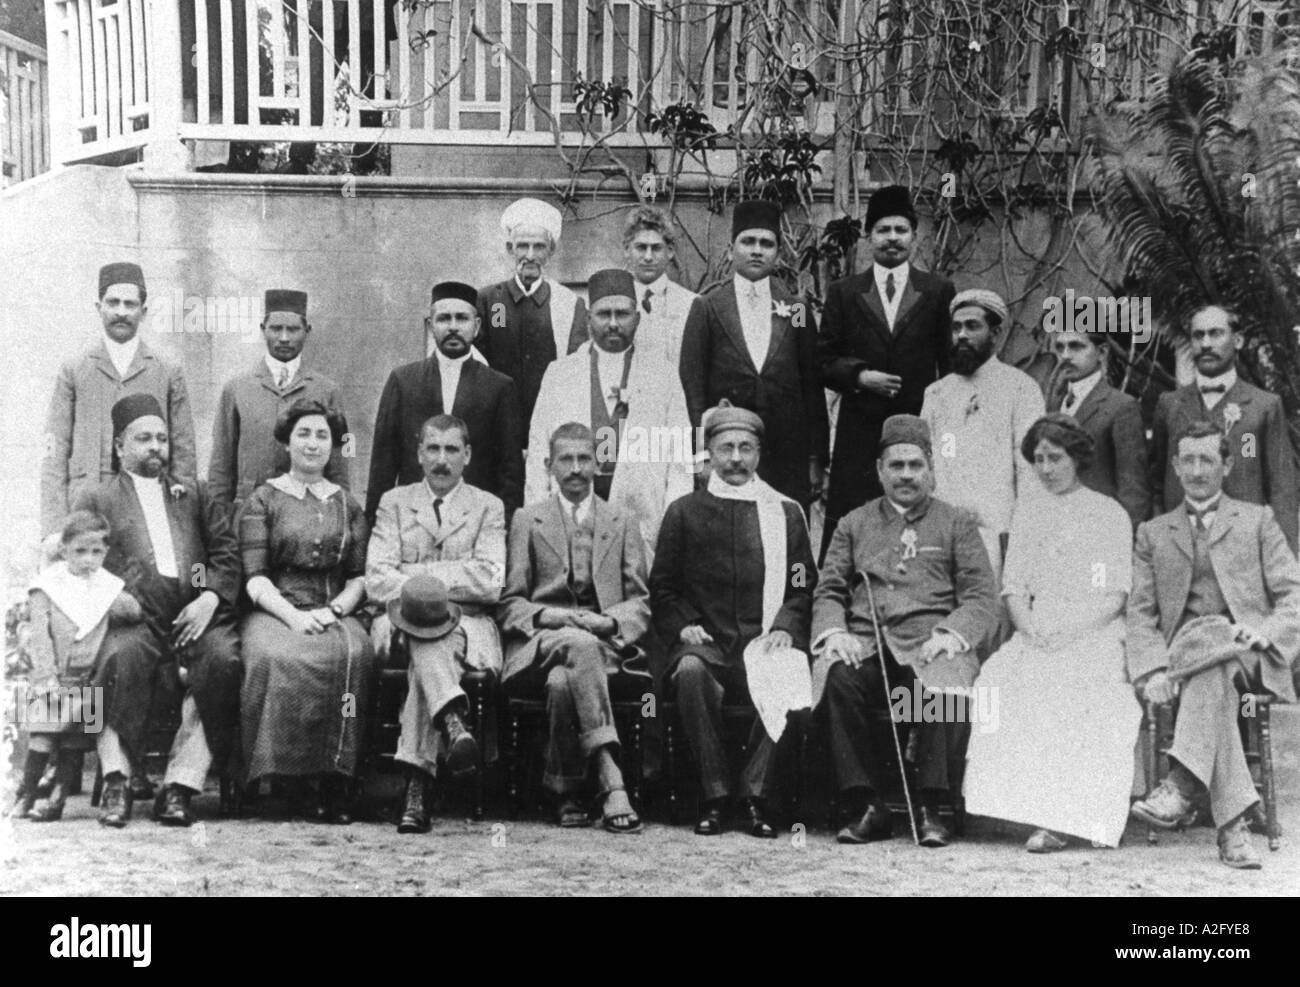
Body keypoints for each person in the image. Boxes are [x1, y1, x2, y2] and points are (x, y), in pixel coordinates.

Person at [812, 414, 1000, 847]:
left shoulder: (957, 523)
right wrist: (836, 632)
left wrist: (950, 634)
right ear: (880, 471)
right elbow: (828, 591)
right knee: (838, 676)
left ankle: (933, 806)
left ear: (931, 469)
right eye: (896, 466)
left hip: (931, 642)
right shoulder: (852, 523)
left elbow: (980, 598)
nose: (906, 475)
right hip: (867, 641)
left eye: (916, 465)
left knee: (944, 680)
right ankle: (866, 805)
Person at [964, 413, 1142, 851]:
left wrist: (1071, 629)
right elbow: (1014, 587)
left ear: (1077, 459)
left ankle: (1069, 819)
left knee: (1073, 687)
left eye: (1055, 458)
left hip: (1094, 628)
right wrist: (1029, 627)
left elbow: (1115, 593)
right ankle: (1021, 810)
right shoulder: (1029, 512)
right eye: (1038, 459)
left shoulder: (1107, 514)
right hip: (1038, 628)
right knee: (1000, 680)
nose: (1045, 468)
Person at [1128, 420, 1300, 869]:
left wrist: (1264, 631)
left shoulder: (1258, 520)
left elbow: (1293, 594)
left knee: (1220, 661)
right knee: (1212, 669)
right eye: (1188, 459)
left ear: (1226, 465)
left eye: (1207, 459)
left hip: (1249, 655)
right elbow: (1141, 613)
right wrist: (1151, 670)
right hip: (1181, 660)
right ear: (1175, 466)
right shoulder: (1153, 532)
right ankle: (1234, 828)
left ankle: (1181, 786)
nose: (1197, 469)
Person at [72, 394, 242, 828]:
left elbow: (225, 553)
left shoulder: (193, 492)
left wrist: (209, 599)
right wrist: (110, 596)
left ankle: (181, 785)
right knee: (115, 659)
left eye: (162, 439)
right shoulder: (98, 497)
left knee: (223, 662)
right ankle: (116, 780)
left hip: (196, 617)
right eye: (144, 438)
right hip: (136, 616)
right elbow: (75, 564)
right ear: (119, 446)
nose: (155, 448)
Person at [650, 403, 816, 837]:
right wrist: (684, 622)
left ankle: (754, 796)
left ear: (759, 453)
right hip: (708, 642)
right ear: (709, 453)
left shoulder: (786, 512)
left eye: (746, 448)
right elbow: (663, 587)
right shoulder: (684, 512)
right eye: (726, 448)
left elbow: (801, 586)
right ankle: (716, 794)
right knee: (689, 672)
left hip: (764, 638)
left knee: (790, 669)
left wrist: (785, 625)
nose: (737, 459)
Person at [497, 423, 650, 833]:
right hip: (541, 643)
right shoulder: (527, 520)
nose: (577, 468)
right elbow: (509, 603)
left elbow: (641, 601)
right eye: (566, 459)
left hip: (604, 648)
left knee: (564, 683)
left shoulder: (622, 520)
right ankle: (610, 778)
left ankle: (566, 794)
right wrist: (553, 617)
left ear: (598, 464)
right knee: (574, 645)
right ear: (549, 465)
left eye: (585, 458)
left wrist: (610, 620)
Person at [366, 413, 507, 833]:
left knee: (428, 644)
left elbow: (489, 582)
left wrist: (417, 579)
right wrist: (452, 576)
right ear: (418, 454)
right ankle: (450, 721)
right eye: (433, 449)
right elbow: (376, 579)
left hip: (470, 626)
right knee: (424, 636)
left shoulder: (488, 506)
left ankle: (417, 786)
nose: (441, 459)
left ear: (467, 455)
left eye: (451, 450)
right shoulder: (395, 503)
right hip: (396, 622)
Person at [236, 399, 374, 824]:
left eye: (322, 436)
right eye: (304, 434)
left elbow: (360, 576)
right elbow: (255, 578)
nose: (313, 444)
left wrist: (335, 610)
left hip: (333, 606)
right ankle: (281, 779)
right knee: (276, 657)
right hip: (275, 609)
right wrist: (294, 618)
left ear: (333, 446)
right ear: (286, 442)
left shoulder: (346, 503)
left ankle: (337, 778)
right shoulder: (264, 498)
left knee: (355, 655)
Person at [817, 185, 954, 557]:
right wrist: (859, 376)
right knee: (853, 529)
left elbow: (950, 368)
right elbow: (823, 360)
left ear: (913, 235)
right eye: (883, 230)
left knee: (915, 530)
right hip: (859, 433)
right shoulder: (845, 293)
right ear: (868, 236)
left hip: (916, 430)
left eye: (901, 230)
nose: (892, 239)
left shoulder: (938, 291)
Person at [527, 268, 693, 556]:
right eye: (604, 314)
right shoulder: (560, 373)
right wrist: (540, 522)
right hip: (572, 515)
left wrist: (672, 530)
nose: (614, 323)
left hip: (642, 520)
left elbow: (680, 462)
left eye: (623, 314)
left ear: (637, 318)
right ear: (589, 318)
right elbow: (539, 452)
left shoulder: (663, 375)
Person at [679, 199, 828, 510]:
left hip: (787, 454)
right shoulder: (707, 307)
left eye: (766, 243)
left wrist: (815, 458)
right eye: (748, 242)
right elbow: (691, 388)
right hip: (728, 453)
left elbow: (812, 385)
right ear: (731, 250)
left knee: (785, 537)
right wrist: (700, 454)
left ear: (778, 252)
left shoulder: (796, 310)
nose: (757, 250)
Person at [42, 262, 196, 537]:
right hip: (85, 510)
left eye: (130, 304)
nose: (121, 312)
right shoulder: (74, 369)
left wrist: (182, 521)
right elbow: (54, 452)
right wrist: (54, 529)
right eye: (113, 303)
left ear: (143, 312)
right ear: (98, 307)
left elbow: (184, 451)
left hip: (149, 507)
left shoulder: (167, 370)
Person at [16, 511, 144, 822]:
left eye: (97, 552)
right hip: (52, 678)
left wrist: (121, 596)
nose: (88, 559)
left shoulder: (105, 587)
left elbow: (133, 611)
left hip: (87, 680)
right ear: (64, 550)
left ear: (106, 553)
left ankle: (56, 802)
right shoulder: (46, 587)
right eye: (80, 551)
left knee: (73, 744)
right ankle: (26, 794)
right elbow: (40, 638)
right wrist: (46, 678)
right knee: (42, 738)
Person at [367, 281, 523, 525]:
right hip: (413, 521)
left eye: (462, 318)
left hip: (475, 523)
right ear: (430, 326)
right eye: (443, 319)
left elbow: (510, 472)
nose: (453, 327)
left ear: (477, 325)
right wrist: (374, 527)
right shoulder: (403, 380)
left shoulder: (500, 387)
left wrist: (505, 532)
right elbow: (382, 465)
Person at [1149, 304, 1299, 554]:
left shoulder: (1263, 407)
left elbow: (1282, 489)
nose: (1206, 343)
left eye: (1216, 333)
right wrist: (1159, 540)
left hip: (1244, 549)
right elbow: (1155, 482)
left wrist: (1285, 560)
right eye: (1198, 335)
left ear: (1237, 340)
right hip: (1181, 547)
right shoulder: (1169, 406)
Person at [920, 289, 1045, 577]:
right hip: (940, 535)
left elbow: (1030, 471)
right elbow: (925, 465)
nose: (961, 335)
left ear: (996, 332)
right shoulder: (937, 393)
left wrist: (1021, 538)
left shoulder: (1021, 389)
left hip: (997, 535)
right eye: (956, 327)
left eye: (972, 326)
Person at [209, 289, 350, 514]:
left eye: (293, 329)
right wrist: (218, 523)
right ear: (263, 330)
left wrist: (342, 512)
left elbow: (343, 455)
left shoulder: (327, 390)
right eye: (276, 329)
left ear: (307, 331)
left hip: (309, 513)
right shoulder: (237, 388)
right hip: (249, 512)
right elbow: (221, 463)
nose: (284, 338)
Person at [476, 198, 587, 428]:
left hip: (551, 421)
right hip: (498, 422)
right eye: (522, 246)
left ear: (551, 251)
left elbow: (577, 369)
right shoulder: (491, 301)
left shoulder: (567, 303)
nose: (530, 255)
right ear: (510, 249)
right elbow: (479, 365)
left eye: (539, 247)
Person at [1045, 330, 1149, 529]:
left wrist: (1123, 542)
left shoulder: (1121, 406)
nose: (1065, 355)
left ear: (1102, 352)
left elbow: (1134, 490)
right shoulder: (1053, 403)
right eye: (1060, 347)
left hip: (1100, 532)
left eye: (1076, 346)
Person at [623, 206, 698, 373]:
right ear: (627, 250)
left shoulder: (691, 304)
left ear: (670, 252)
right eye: (641, 247)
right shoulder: (615, 302)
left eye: (656, 248)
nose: (648, 257)